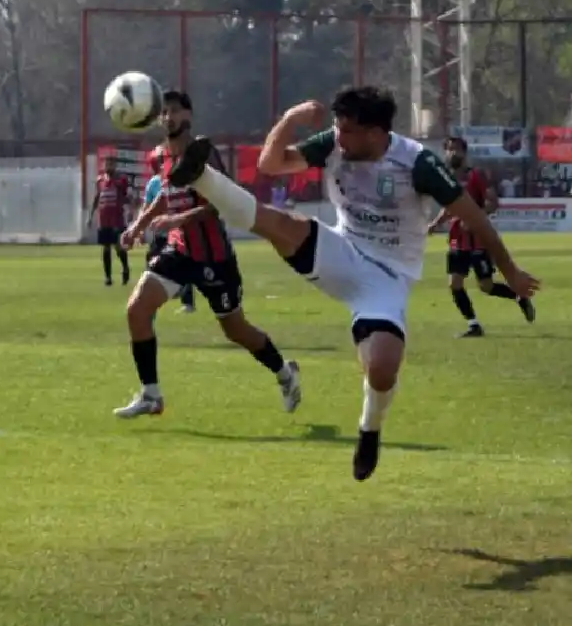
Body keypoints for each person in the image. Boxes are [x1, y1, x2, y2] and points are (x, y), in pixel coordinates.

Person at [164, 86, 539, 481]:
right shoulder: (333, 144)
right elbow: (270, 165)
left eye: (348, 131)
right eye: (336, 128)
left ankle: (370, 427)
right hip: (340, 251)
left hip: (389, 277)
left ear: (376, 133)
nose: (338, 138)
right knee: (279, 223)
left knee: (381, 369)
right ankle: (201, 176)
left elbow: (476, 218)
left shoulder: (419, 164)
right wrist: (291, 118)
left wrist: (509, 271)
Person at [117, 90, 301, 420]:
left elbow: (221, 203)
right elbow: (164, 195)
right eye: (164, 112)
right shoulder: (159, 157)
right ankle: (151, 394)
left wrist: (178, 219)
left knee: (236, 330)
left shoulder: (204, 153)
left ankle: (285, 373)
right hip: (179, 251)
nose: (168, 117)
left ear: (189, 116)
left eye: (175, 111)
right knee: (137, 310)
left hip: (214, 258)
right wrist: (137, 225)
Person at [429, 136, 535, 337]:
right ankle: (473, 325)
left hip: (478, 240)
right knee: (455, 283)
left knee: (486, 286)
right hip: (457, 240)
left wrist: (474, 218)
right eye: (449, 149)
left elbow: (493, 202)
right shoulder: (446, 177)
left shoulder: (476, 175)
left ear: (464, 153)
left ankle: (519, 296)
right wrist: (435, 224)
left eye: (456, 149)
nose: (452, 153)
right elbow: (450, 207)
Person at [144, 148, 195, 314]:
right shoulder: (153, 183)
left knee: (184, 264)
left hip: (177, 231)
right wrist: (139, 227)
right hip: (160, 232)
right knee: (152, 259)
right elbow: (148, 207)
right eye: (159, 161)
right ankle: (153, 297)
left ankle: (187, 302)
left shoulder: (179, 178)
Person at [89, 155, 130, 286]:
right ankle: (108, 277)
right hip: (104, 219)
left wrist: (130, 211)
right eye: (107, 164)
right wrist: (90, 216)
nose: (109, 166)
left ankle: (125, 267)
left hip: (117, 219)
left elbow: (125, 196)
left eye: (111, 164)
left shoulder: (121, 180)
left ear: (115, 166)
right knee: (106, 248)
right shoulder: (100, 180)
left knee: (118, 247)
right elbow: (97, 198)